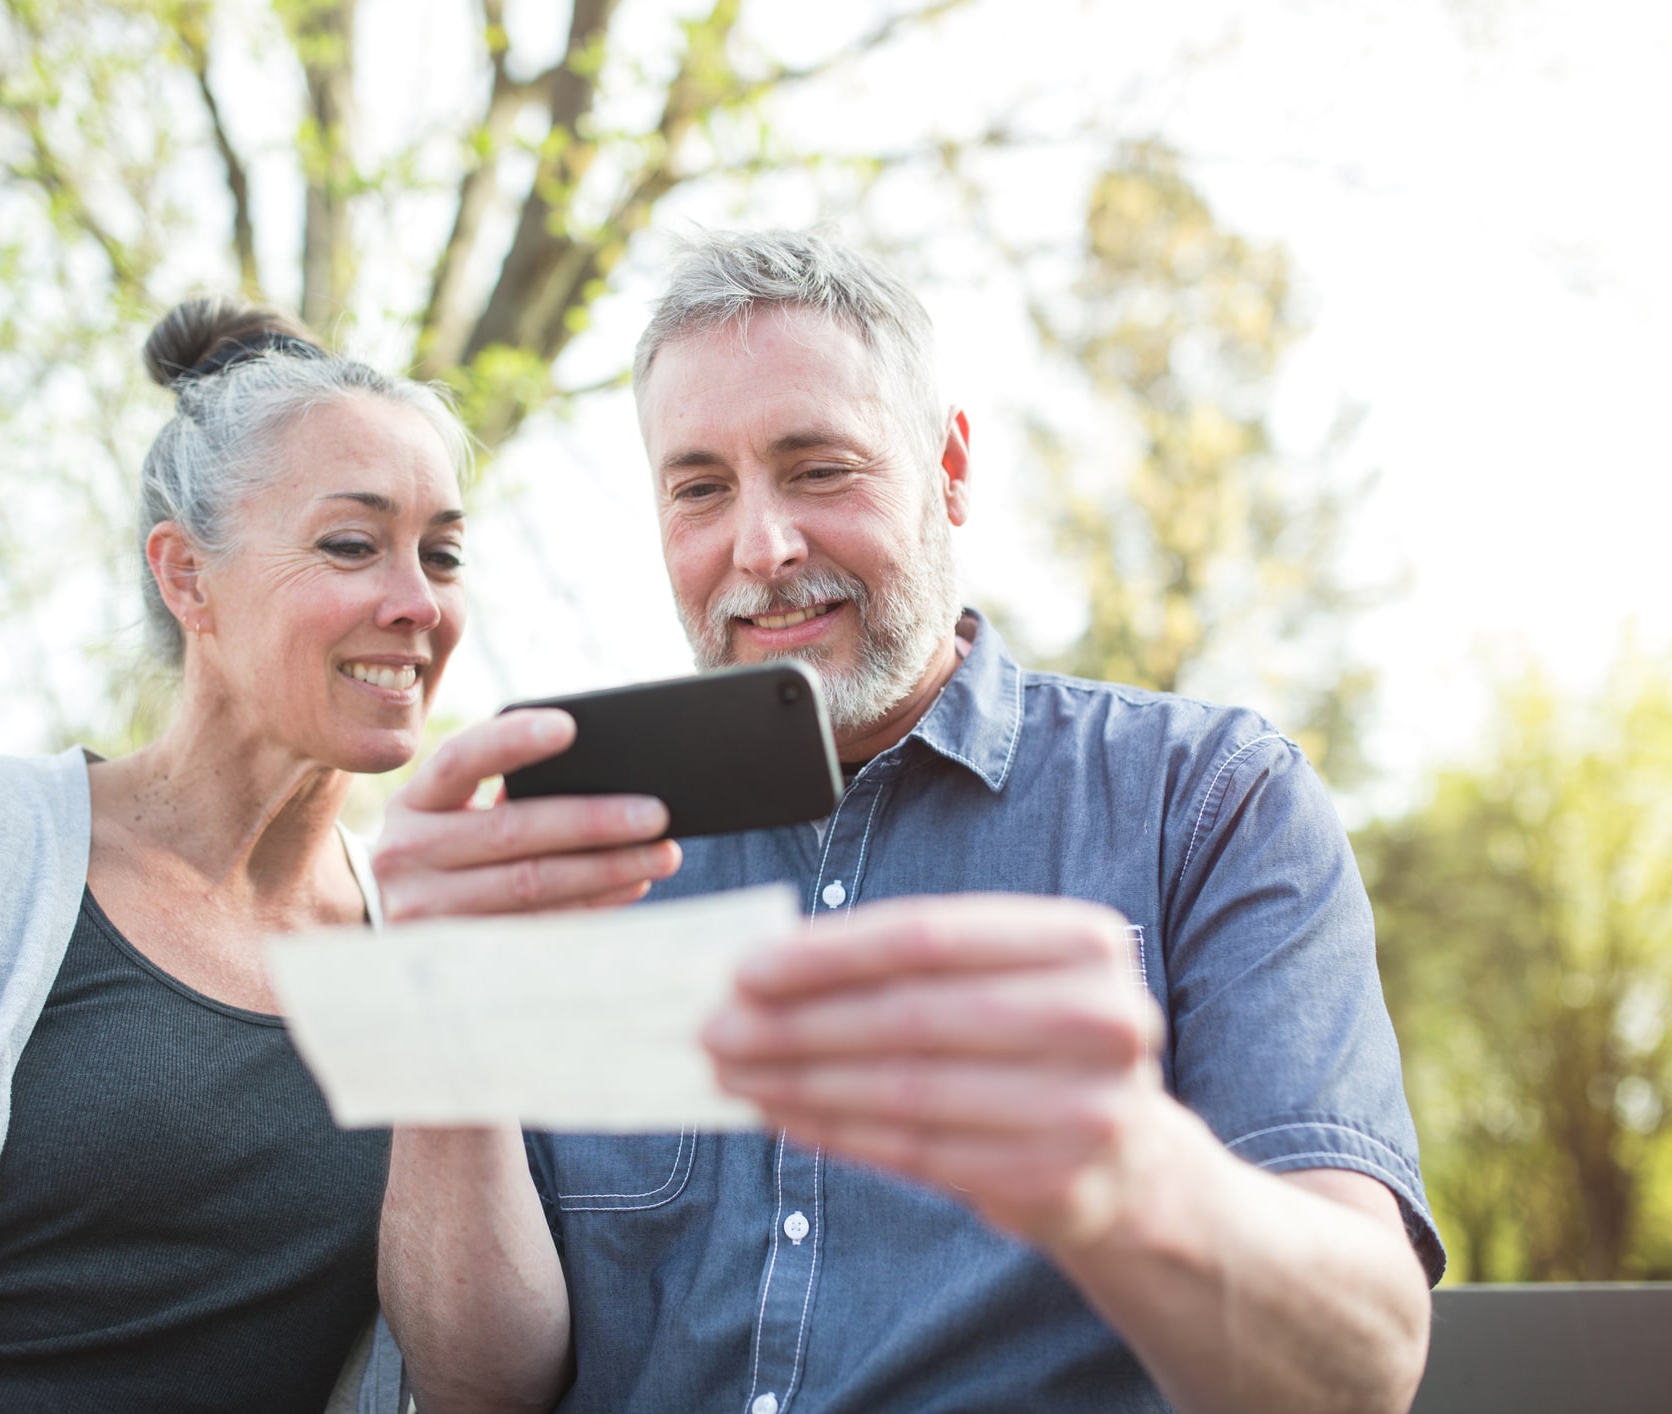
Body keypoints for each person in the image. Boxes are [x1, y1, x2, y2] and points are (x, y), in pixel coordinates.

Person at [369, 230, 1446, 1414]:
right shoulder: (564, 862)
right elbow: (481, 1389)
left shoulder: (1206, 804)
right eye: (700, 489)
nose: (762, 546)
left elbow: (1361, 1373)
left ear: (951, 469)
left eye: (820, 468)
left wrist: (1130, 1170)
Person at [0, 296, 560, 1414]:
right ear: (187, 577)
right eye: (352, 545)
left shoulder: (431, 941)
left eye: (442, 554)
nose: (416, 604)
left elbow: (490, 1386)